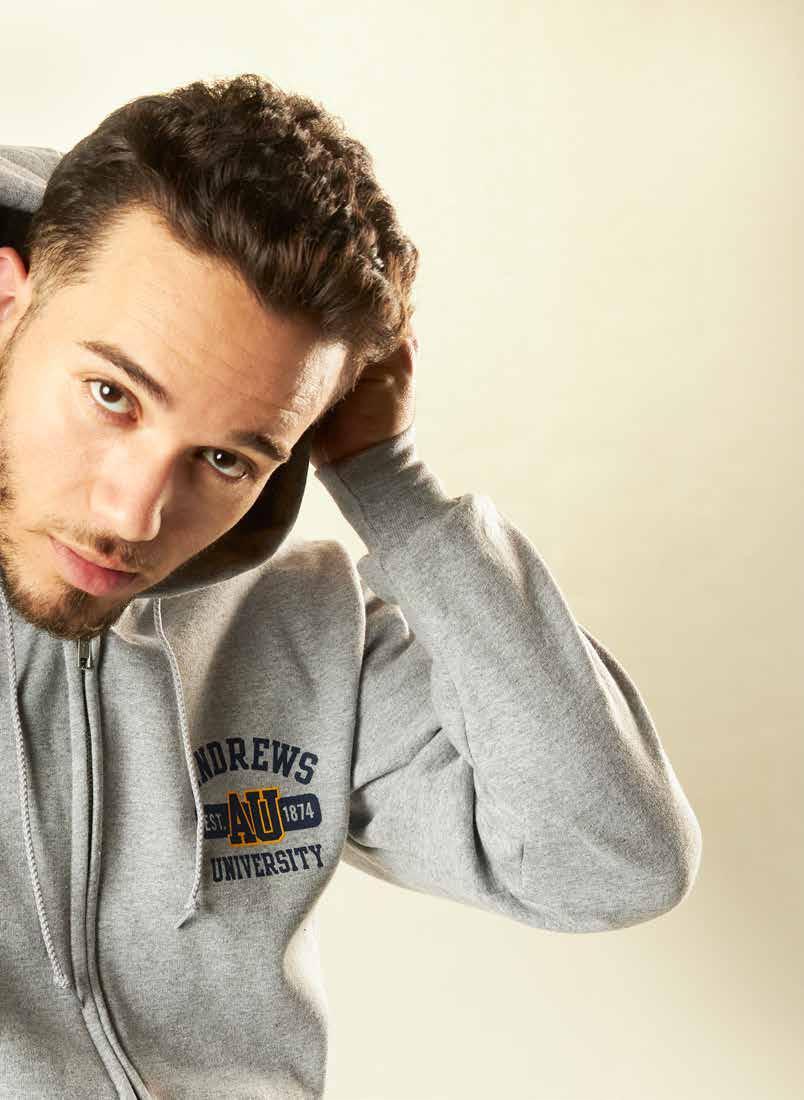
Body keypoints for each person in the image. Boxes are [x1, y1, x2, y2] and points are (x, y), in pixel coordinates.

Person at [0, 73, 702, 1099]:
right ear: (9, 304)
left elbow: (609, 862)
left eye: (228, 458)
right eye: (112, 395)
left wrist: (392, 485)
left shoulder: (302, 630)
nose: (136, 516)